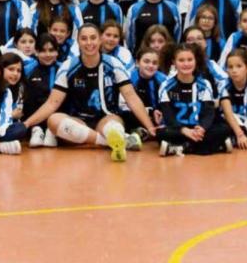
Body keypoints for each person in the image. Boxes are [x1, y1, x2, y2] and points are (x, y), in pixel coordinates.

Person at [22, 24, 157, 162]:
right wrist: (26, 124)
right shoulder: (68, 67)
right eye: (84, 39)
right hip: (79, 121)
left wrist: (150, 127)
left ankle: (110, 137)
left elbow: (131, 97)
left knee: (113, 126)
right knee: (53, 120)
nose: (89, 43)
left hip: (107, 117)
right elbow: (52, 103)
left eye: (93, 38)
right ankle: (112, 142)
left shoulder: (113, 64)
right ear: (78, 42)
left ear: (100, 40)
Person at [156, 43, 231, 156]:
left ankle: (181, 147)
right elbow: (168, 116)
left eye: (190, 59)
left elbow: (208, 112)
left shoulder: (204, 84)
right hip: (179, 129)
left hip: (200, 129)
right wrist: (184, 130)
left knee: (224, 129)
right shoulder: (166, 86)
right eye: (181, 60)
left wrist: (202, 128)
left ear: (196, 61)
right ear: (174, 62)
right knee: (160, 133)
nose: (186, 64)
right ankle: (214, 146)